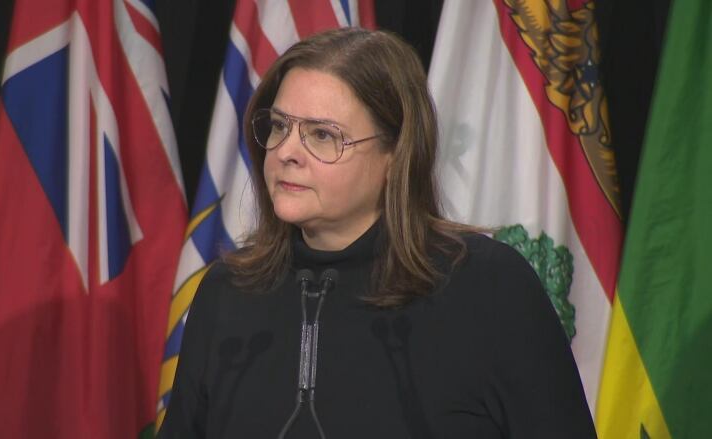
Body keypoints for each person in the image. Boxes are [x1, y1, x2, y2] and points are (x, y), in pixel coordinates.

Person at [158, 27, 596, 438]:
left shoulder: (488, 286)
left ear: (395, 156)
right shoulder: (228, 291)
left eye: (322, 135)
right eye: (279, 125)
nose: (287, 152)